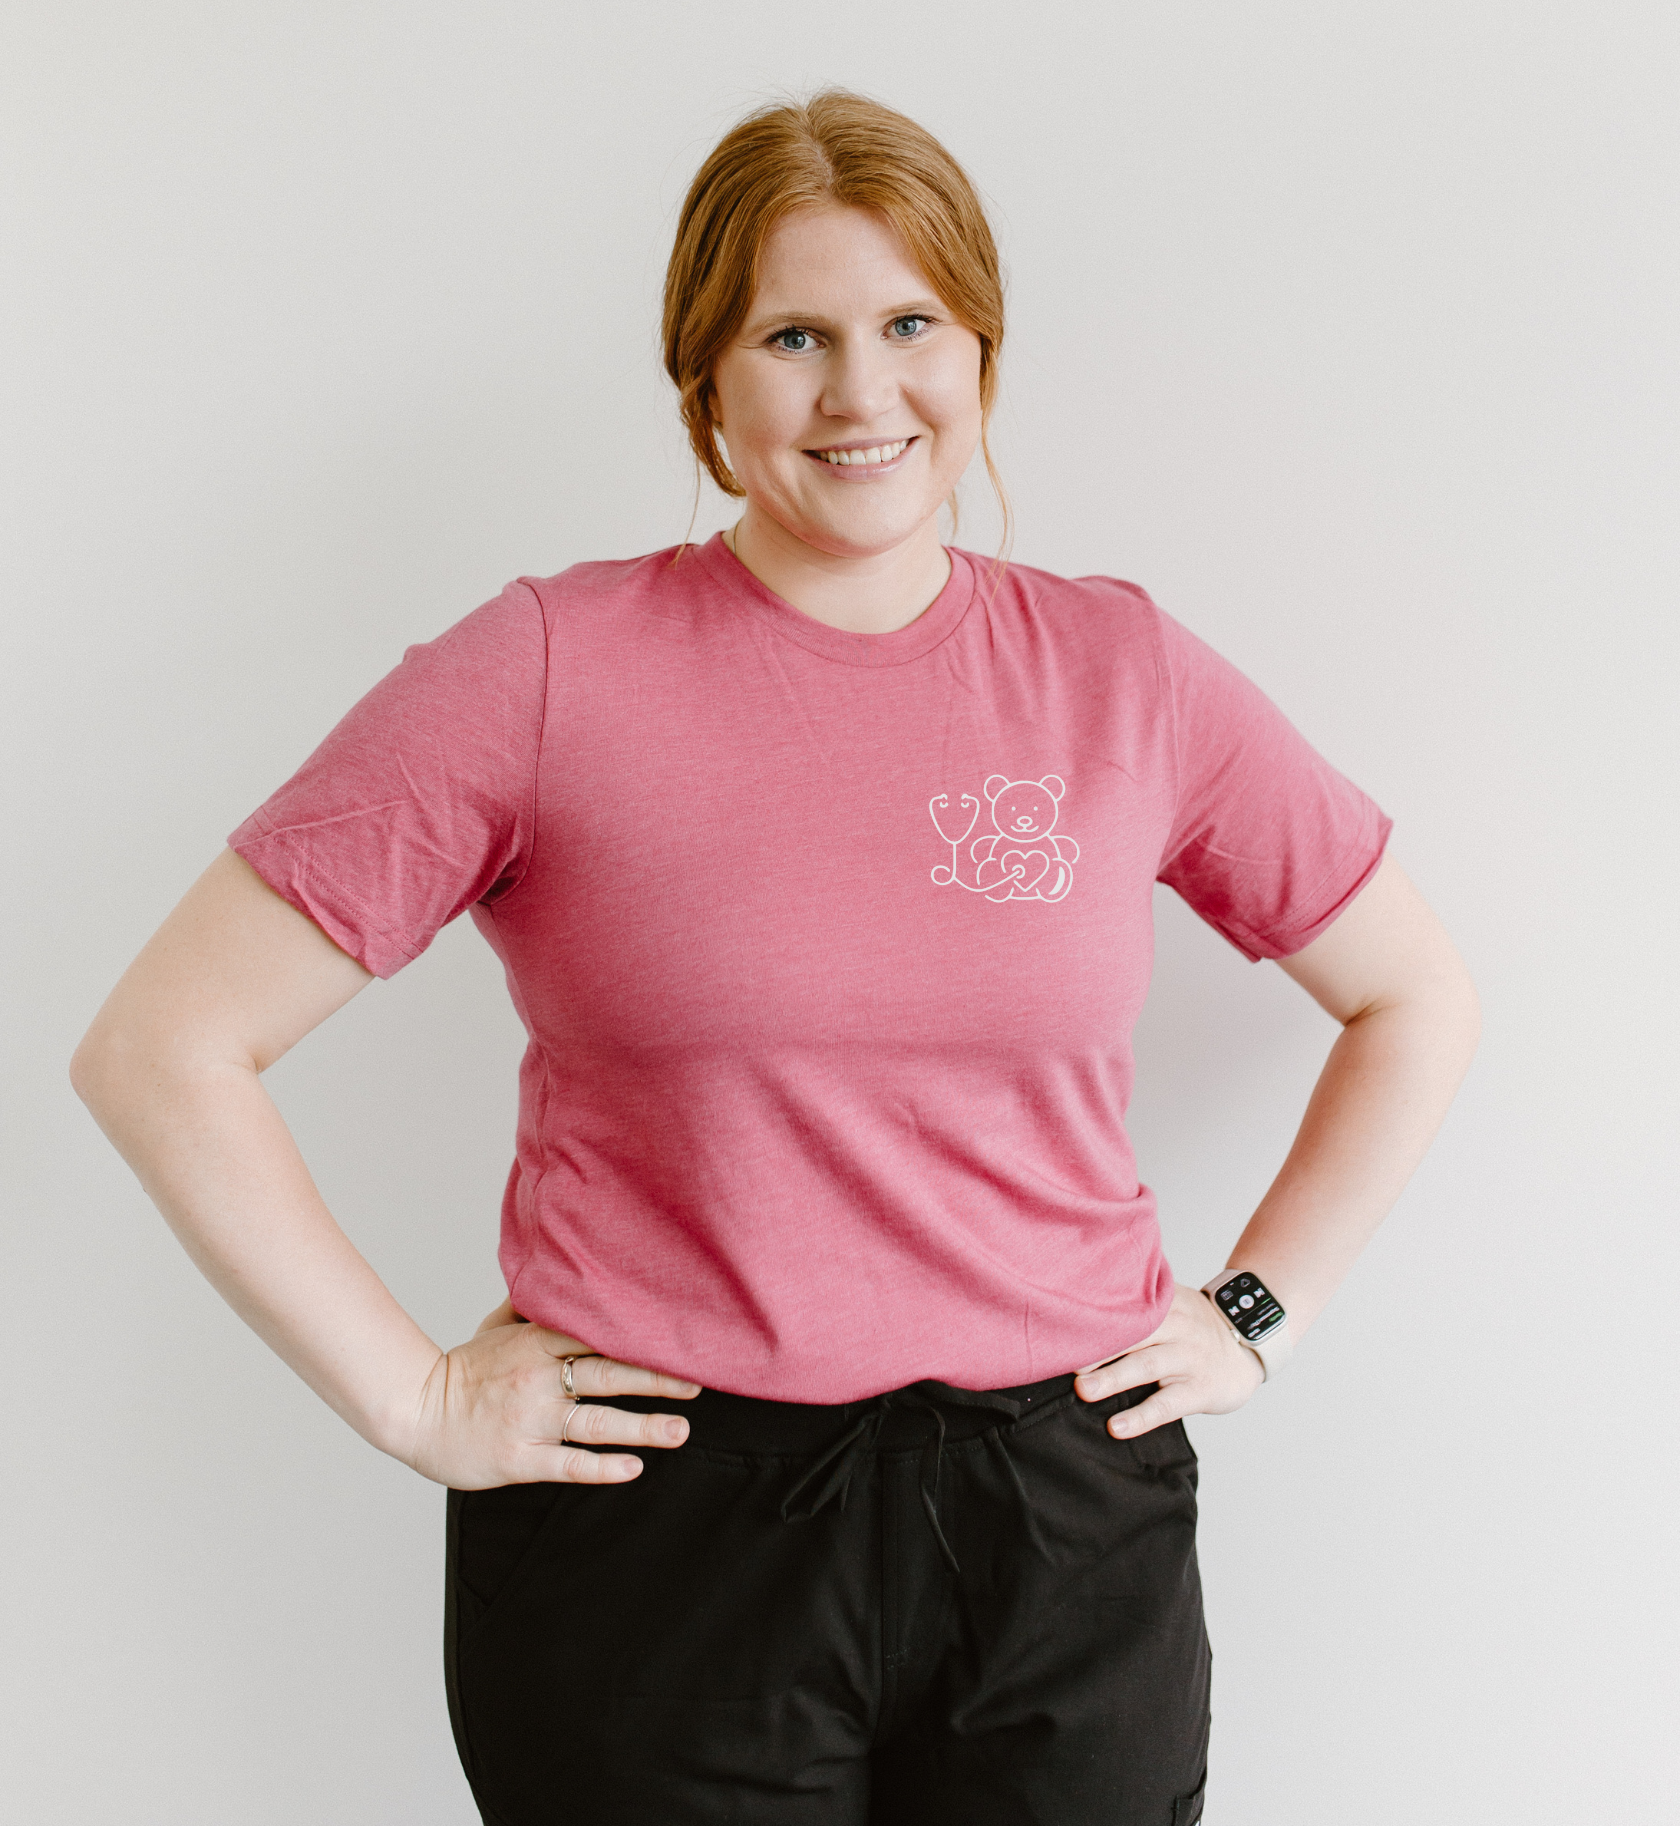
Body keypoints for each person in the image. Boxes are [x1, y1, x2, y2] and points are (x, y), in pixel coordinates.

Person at [71, 89, 1480, 1825]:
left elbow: (1413, 995)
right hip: (663, 1530)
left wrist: (1260, 1311)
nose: (862, 392)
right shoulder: (544, 668)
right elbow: (163, 1046)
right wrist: (411, 1397)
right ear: (706, 385)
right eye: (792, 337)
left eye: (913, 326)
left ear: (982, 355)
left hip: (1063, 1519)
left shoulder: (1126, 673)